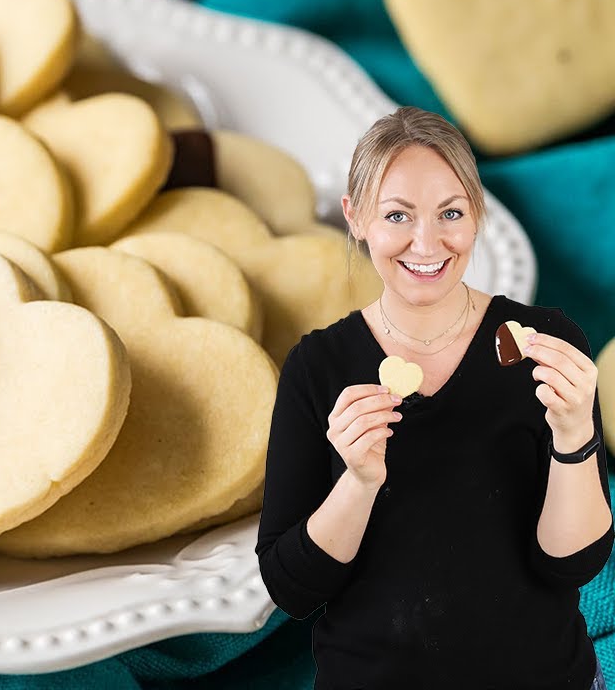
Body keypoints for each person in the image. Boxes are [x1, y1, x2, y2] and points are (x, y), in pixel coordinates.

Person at [255, 106, 613, 690]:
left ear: (477, 215)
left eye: (450, 212)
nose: (427, 243)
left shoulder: (546, 345)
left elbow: (572, 565)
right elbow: (290, 589)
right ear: (355, 218)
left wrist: (575, 436)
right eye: (397, 215)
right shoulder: (316, 368)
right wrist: (358, 482)